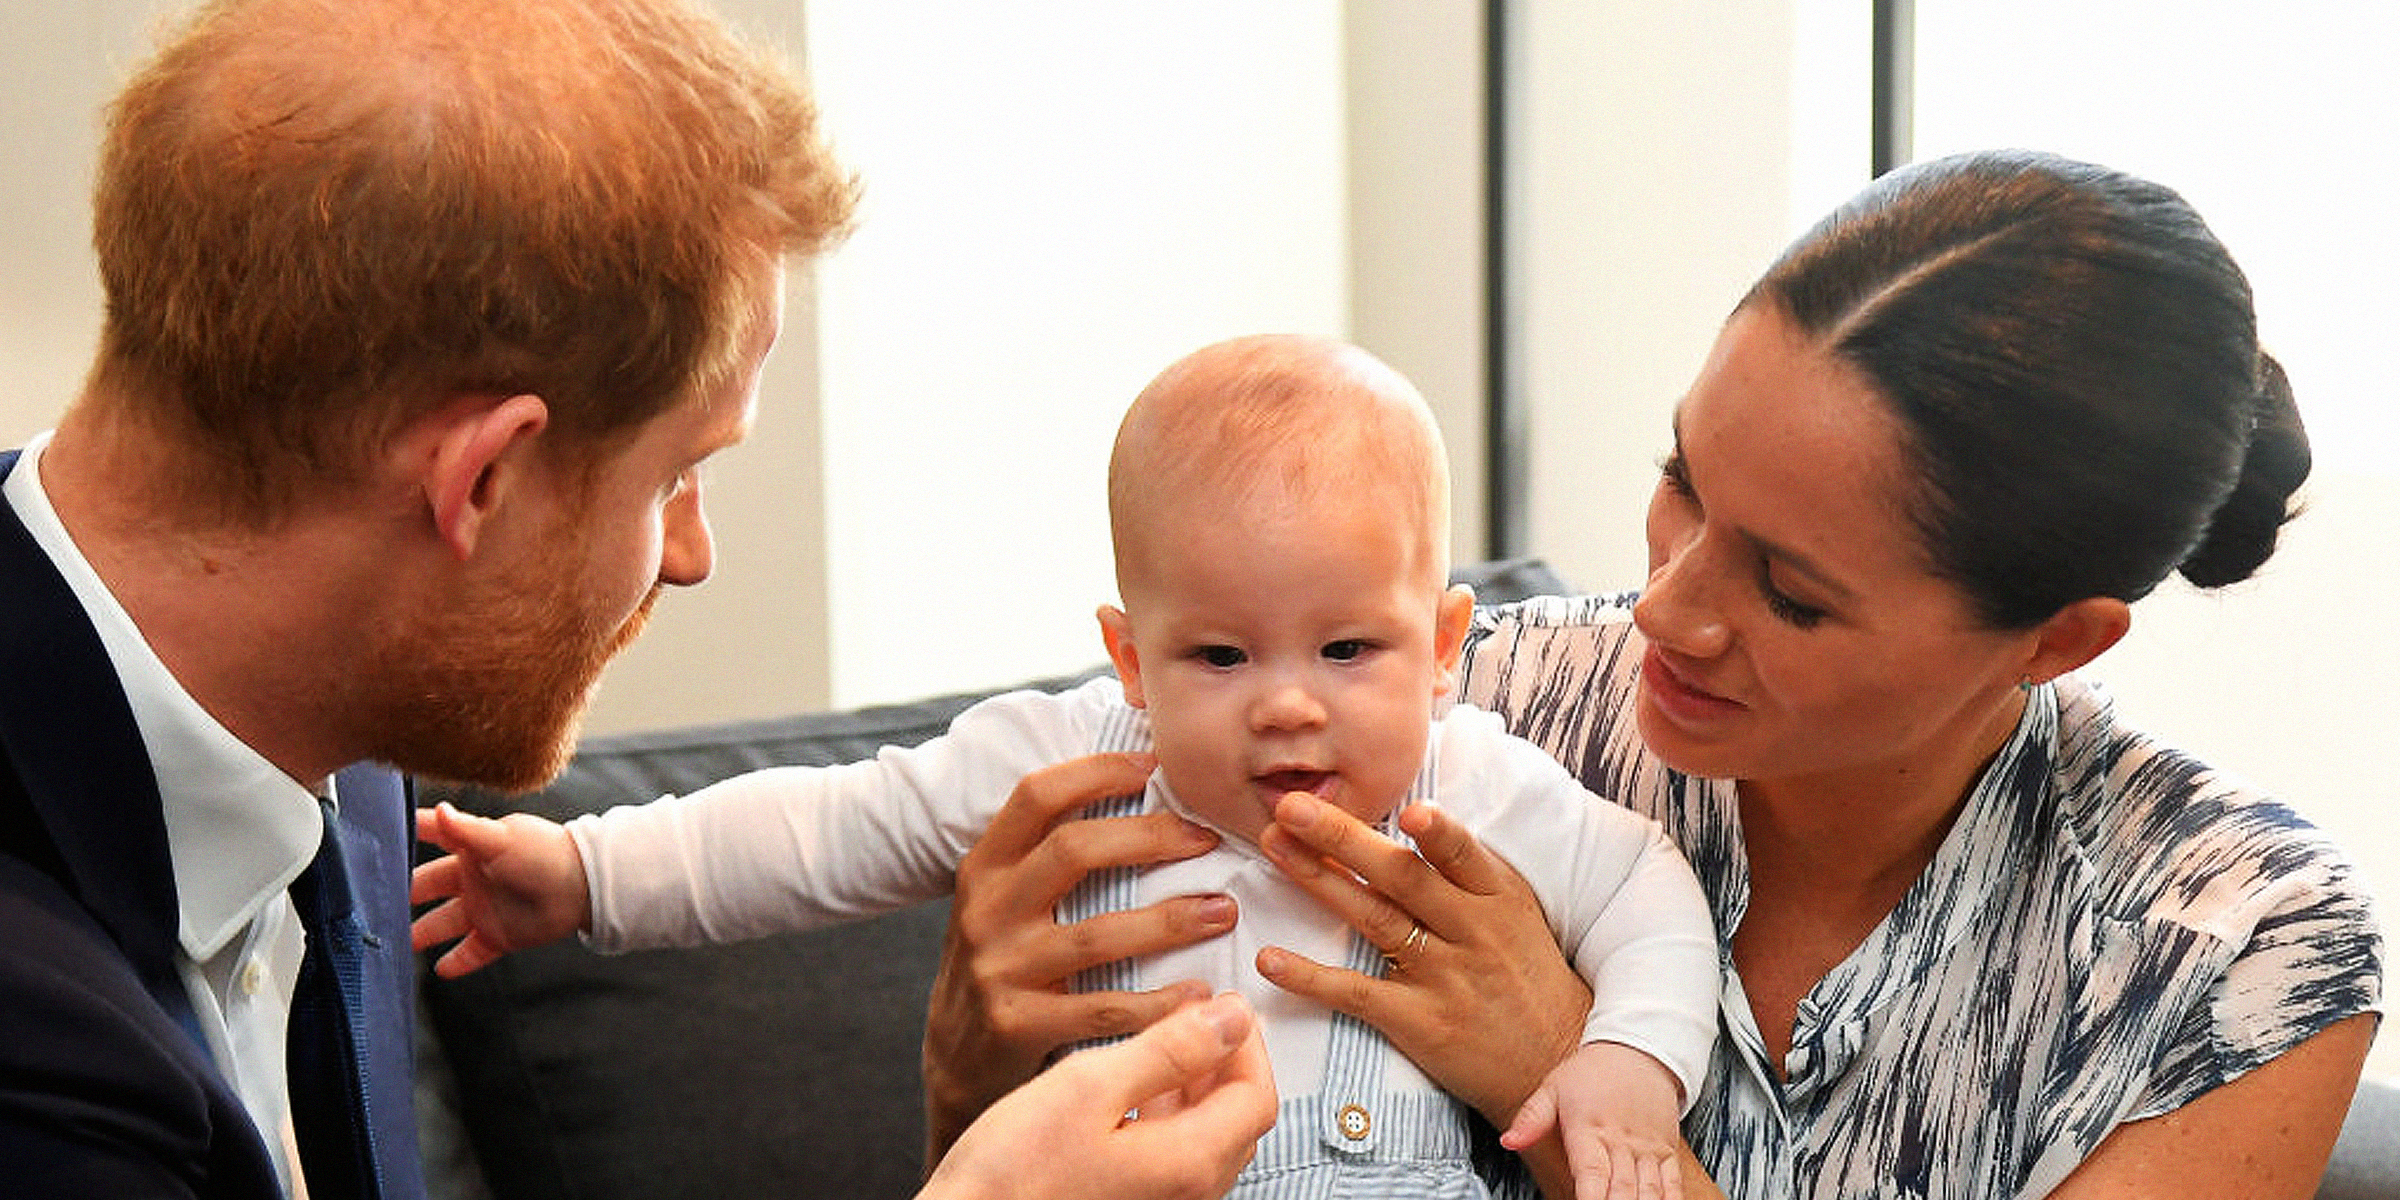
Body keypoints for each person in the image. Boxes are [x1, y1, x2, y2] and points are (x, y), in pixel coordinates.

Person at [917, 150, 2386, 1199]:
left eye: (1791, 593)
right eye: (1682, 480)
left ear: (2054, 641)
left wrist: (1563, 1081)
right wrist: (977, 1074)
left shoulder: (2233, 954)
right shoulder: (1456, 708)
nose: (1667, 612)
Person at [0, 0, 1273, 1198]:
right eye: (680, 473)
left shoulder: (345, 726)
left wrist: (962, 1106)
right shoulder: (45, 1060)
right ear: (482, 478)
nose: (691, 553)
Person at [410, 333, 1725, 1199]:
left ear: (1441, 645)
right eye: (1218, 657)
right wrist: (586, 874)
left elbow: (1648, 897)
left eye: (1344, 649)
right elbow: (830, 830)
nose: (1286, 710)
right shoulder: (1075, 755)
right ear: (1130, 657)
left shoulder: (1476, 779)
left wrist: (1622, 1064)